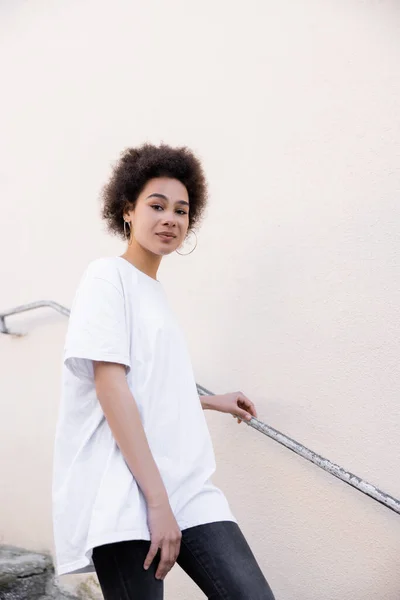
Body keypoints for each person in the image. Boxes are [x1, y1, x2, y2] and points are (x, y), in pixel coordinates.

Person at [52, 143, 276, 599]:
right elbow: (111, 389)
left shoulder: (155, 294)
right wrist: (156, 503)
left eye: (181, 209)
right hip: (123, 490)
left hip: (186, 484)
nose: (170, 218)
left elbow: (149, 391)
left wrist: (211, 401)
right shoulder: (106, 277)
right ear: (127, 211)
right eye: (156, 205)